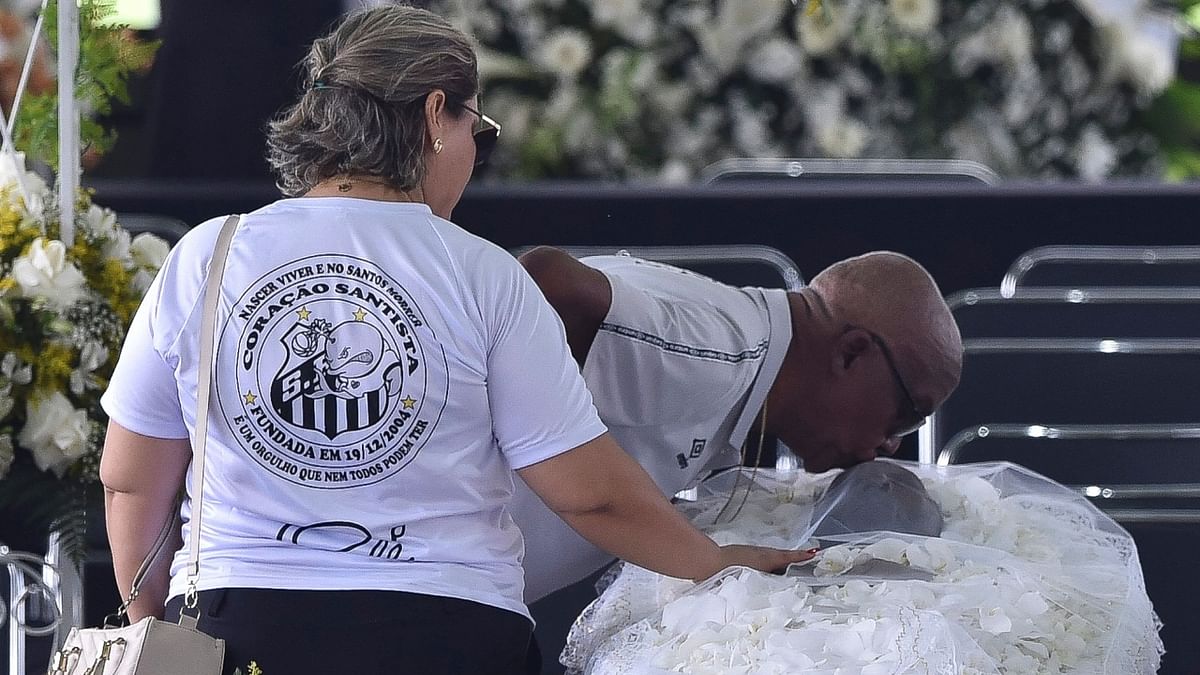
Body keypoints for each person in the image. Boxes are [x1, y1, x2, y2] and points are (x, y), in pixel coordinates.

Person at [97, 7, 812, 675]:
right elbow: (589, 493)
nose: (476, 151)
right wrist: (711, 561)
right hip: (445, 636)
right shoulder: (483, 273)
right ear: (436, 114)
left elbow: (129, 474)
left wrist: (155, 628)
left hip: (242, 628)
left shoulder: (206, 256)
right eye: (479, 127)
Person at [513, 248, 963, 602]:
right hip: (449, 597)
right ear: (851, 353)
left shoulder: (735, 341)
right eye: (905, 415)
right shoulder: (720, 355)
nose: (889, 444)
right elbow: (546, 277)